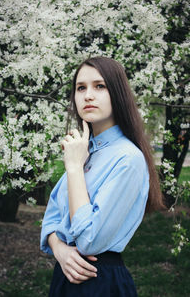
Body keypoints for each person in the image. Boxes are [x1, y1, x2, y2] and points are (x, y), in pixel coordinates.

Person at [40, 56, 165, 296]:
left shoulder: (127, 158)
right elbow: (51, 217)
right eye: (80, 88)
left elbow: (89, 240)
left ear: (116, 93)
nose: (88, 95)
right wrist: (60, 250)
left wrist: (75, 168)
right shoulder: (84, 150)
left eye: (99, 86)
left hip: (100, 281)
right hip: (65, 276)